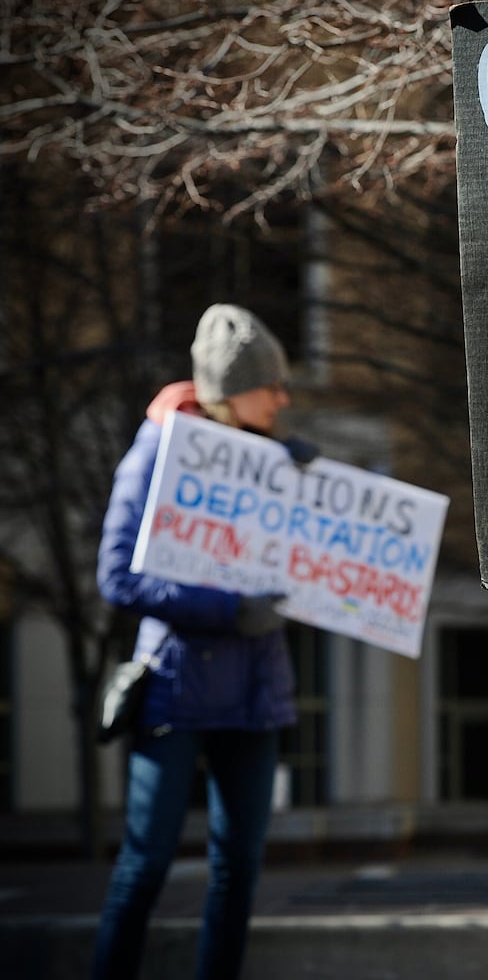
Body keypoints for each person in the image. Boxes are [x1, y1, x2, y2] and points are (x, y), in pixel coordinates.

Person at [92, 304, 307, 980]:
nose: (282, 397)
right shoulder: (156, 452)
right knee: (145, 863)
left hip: (255, 692)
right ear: (231, 390)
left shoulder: (273, 458)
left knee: (237, 870)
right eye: (269, 385)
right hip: (175, 690)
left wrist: (314, 494)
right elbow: (118, 575)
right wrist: (226, 610)